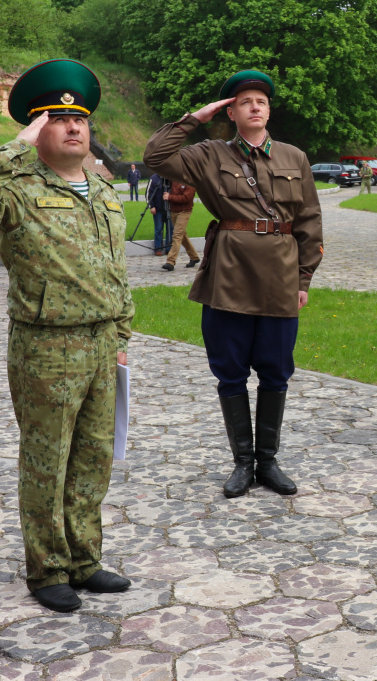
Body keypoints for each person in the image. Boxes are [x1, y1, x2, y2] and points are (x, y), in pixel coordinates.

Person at [0, 59, 134, 613]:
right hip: (47, 346)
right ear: (37, 130)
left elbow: (115, 269)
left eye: (80, 119)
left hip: (103, 344)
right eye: (57, 118)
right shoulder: (18, 190)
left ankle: (85, 558)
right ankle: (47, 567)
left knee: (93, 459)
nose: (74, 126)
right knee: (47, 461)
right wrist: (15, 146)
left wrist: (122, 331)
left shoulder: (103, 192)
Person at [143, 68, 323, 501]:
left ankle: (269, 461)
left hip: (280, 277)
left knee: (276, 371)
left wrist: (303, 278)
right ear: (232, 112)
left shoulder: (294, 157)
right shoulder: (209, 154)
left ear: (269, 109)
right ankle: (243, 463)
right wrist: (195, 119)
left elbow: (310, 221)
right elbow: (154, 156)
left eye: (260, 100)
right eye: (244, 102)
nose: (254, 106)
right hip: (229, 276)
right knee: (231, 372)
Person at [162, 179, 201, 271]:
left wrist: (170, 197)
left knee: (177, 235)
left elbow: (186, 198)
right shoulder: (173, 180)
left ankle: (170, 261)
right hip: (174, 211)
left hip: (184, 211)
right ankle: (194, 257)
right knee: (182, 236)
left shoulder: (190, 182)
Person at [146, 172, 172, 255]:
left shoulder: (171, 178)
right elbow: (148, 193)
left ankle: (169, 248)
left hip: (170, 209)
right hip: (158, 209)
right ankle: (158, 249)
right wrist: (151, 206)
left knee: (170, 229)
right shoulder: (154, 178)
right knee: (158, 229)